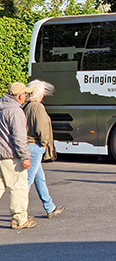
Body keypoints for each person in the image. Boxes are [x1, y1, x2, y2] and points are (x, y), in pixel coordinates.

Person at [24, 80, 65, 219]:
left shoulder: (27, 106)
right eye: (42, 92)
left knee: (39, 178)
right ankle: (20, 212)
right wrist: (45, 144)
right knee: (28, 181)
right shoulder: (37, 107)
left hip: (29, 145)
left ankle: (50, 207)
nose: (44, 95)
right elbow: (41, 128)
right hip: (35, 146)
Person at [0, 82, 36, 229]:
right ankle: (19, 219)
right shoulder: (15, 111)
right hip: (11, 155)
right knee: (18, 186)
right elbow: (19, 137)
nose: (26, 96)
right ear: (20, 96)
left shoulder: (2, 107)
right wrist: (25, 156)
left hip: (1, 154)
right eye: (25, 94)